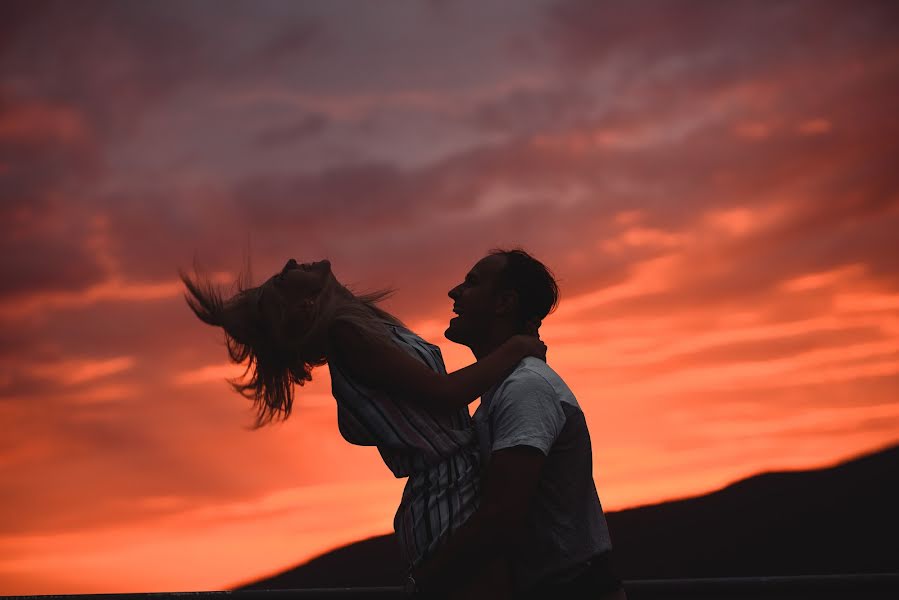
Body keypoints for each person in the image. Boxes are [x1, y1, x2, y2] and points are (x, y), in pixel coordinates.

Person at [179, 258, 546, 574]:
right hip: (447, 501)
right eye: (281, 278)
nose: (291, 263)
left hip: (454, 491)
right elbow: (446, 392)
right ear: (304, 306)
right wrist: (518, 347)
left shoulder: (361, 325)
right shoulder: (347, 334)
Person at [410, 249, 625, 599]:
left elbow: (501, 516)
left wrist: (425, 581)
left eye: (472, 283)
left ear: (504, 303)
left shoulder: (525, 388)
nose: (455, 292)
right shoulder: (503, 390)